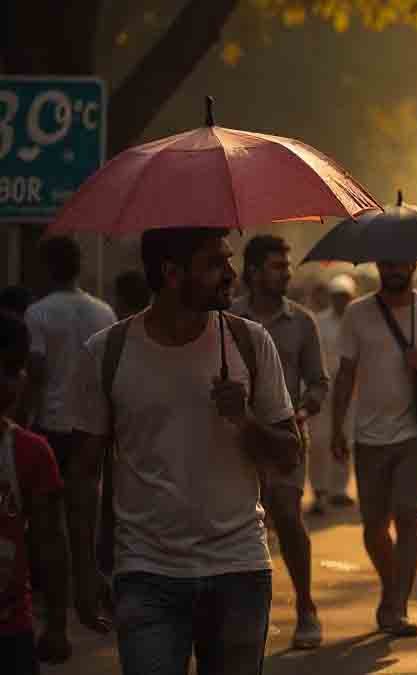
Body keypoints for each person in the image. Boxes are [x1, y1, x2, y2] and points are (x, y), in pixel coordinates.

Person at [70, 227, 301, 675]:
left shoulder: (250, 343)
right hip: (145, 573)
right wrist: (83, 572)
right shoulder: (108, 352)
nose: (231, 273)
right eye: (215, 263)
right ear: (171, 273)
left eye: (229, 259)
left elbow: (289, 453)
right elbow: (83, 472)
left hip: (239, 569)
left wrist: (245, 419)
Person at [330, 259, 417, 638]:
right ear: (377, 265)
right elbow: (346, 374)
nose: (394, 267)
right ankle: (392, 587)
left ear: (414, 265)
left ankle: (397, 605)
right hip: (368, 437)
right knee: (374, 528)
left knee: (408, 516)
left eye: (401, 260)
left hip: (414, 436)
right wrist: (338, 428)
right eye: (387, 260)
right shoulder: (357, 314)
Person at [230, 235, 328, 649]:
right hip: (234, 438)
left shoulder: (302, 321)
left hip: (286, 437)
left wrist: (305, 407)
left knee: (287, 517)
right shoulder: (228, 319)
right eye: (277, 266)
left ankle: (306, 606)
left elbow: (319, 382)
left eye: (287, 265)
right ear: (252, 273)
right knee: (238, 528)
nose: (286, 272)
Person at [16, 237, 115, 597]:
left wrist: (21, 420)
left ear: (48, 268)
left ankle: (57, 587)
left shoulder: (38, 312)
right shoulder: (104, 312)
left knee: (48, 515)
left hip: (51, 425)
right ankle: (87, 582)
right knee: (85, 509)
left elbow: (37, 372)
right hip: (91, 428)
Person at [0, 312, 75, 674]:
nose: (8, 382)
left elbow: (51, 542)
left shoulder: (29, 452)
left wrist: (58, 623)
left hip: (11, 626)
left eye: (13, 370)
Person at [308, 274, 358, 514]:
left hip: (349, 390)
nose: (341, 301)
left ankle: (339, 490)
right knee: (318, 440)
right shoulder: (318, 322)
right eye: (337, 296)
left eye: (345, 297)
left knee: (345, 437)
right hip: (323, 387)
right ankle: (319, 491)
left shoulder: (358, 322)